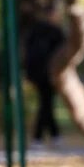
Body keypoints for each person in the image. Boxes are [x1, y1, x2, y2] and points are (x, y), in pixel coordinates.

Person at [24, 13, 65, 147]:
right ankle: (42, 136)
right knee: (46, 104)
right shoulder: (53, 33)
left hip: (40, 74)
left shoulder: (36, 32)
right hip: (47, 74)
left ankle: (52, 134)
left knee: (46, 104)